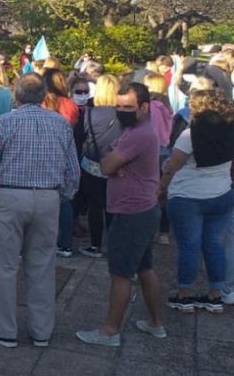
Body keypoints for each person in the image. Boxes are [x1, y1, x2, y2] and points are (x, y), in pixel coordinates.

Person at [0, 73, 79, 348]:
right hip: (47, 198)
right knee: (42, 266)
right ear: (44, 96)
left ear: (16, 96)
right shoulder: (60, 124)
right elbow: (72, 171)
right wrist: (61, 197)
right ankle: (41, 330)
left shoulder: (4, 123)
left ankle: (2, 329)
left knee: (2, 267)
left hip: (8, 197)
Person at [76, 83, 167, 346]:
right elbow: (111, 160)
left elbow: (105, 165)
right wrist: (114, 163)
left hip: (132, 211)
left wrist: (113, 164)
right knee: (144, 267)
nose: (121, 111)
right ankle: (155, 323)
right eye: (118, 106)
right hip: (143, 208)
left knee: (120, 273)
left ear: (144, 107)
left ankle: (110, 331)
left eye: (127, 107)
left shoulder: (138, 134)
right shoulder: (135, 130)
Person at [159, 90, 234, 314]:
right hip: (221, 195)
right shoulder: (231, 132)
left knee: (189, 246)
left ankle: (185, 295)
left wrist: (161, 188)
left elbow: (173, 166)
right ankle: (214, 296)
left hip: (188, 197)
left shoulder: (190, 135)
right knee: (213, 245)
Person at [73, 75, 122, 258]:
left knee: (95, 206)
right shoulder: (123, 114)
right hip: (116, 162)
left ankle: (95, 245)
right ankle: (114, 243)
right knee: (112, 206)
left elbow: (79, 138)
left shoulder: (88, 113)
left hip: (91, 164)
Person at [41, 69, 81, 257]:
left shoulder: (42, 103)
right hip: (64, 152)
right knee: (65, 200)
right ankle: (65, 243)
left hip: (41, 153)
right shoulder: (70, 105)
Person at [144, 72, 174, 245]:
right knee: (163, 193)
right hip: (165, 150)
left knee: (150, 190)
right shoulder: (166, 106)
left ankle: (149, 226)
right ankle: (164, 231)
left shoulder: (152, 107)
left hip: (153, 151)